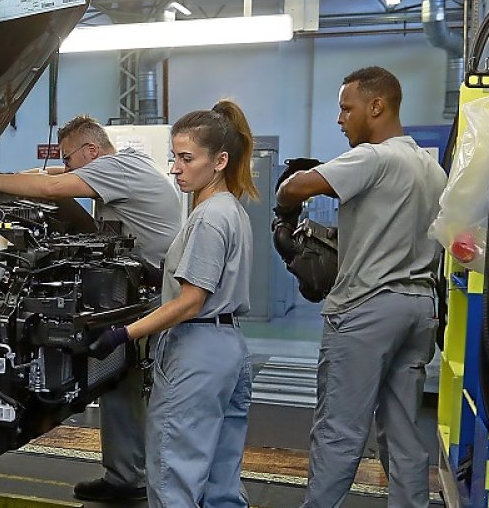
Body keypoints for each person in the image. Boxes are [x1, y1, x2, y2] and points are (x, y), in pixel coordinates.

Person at [0, 114, 182, 503]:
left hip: (156, 297)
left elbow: (54, 184)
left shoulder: (117, 168)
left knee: (151, 390)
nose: (67, 164)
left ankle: (168, 488)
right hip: (136, 294)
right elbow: (53, 174)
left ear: (92, 150)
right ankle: (126, 477)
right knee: (118, 384)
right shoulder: (120, 166)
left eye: (71, 157)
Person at [275, 66, 446, 508]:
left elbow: (299, 186)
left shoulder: (375, 157)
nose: (340, 119)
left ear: (377, 106)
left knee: (338, 428)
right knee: (404, 429)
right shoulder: (431, 168)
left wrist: (285, 207)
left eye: (346, 108)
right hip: (418, 307)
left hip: (367, 309)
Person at [88, 100, 256, 508]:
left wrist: (122, 334)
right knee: (221, 480)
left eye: (186, 158)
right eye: (173, 158)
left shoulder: (207, 218)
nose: (175, 168)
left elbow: (191, 302)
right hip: (230, 349)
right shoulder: (231, 210)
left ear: (219, 161)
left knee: (172, 472)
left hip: (196, 351)